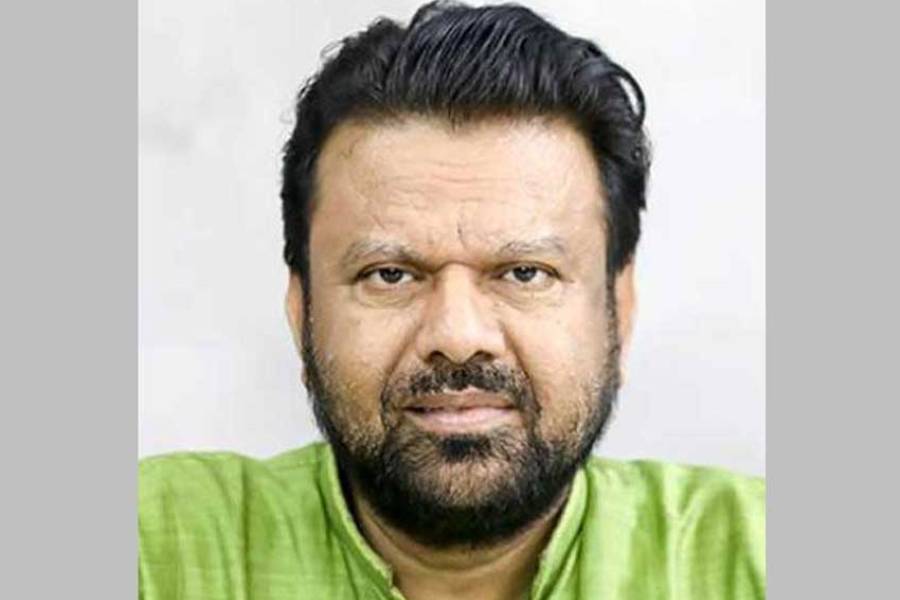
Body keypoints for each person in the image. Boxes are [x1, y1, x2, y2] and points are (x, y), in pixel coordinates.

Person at [139, 2, 765, 599]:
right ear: (301, 314)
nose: (459, 336)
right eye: (389, 275)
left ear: (618, 312)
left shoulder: (760, 556)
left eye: (525, 273)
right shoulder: (150, 550)